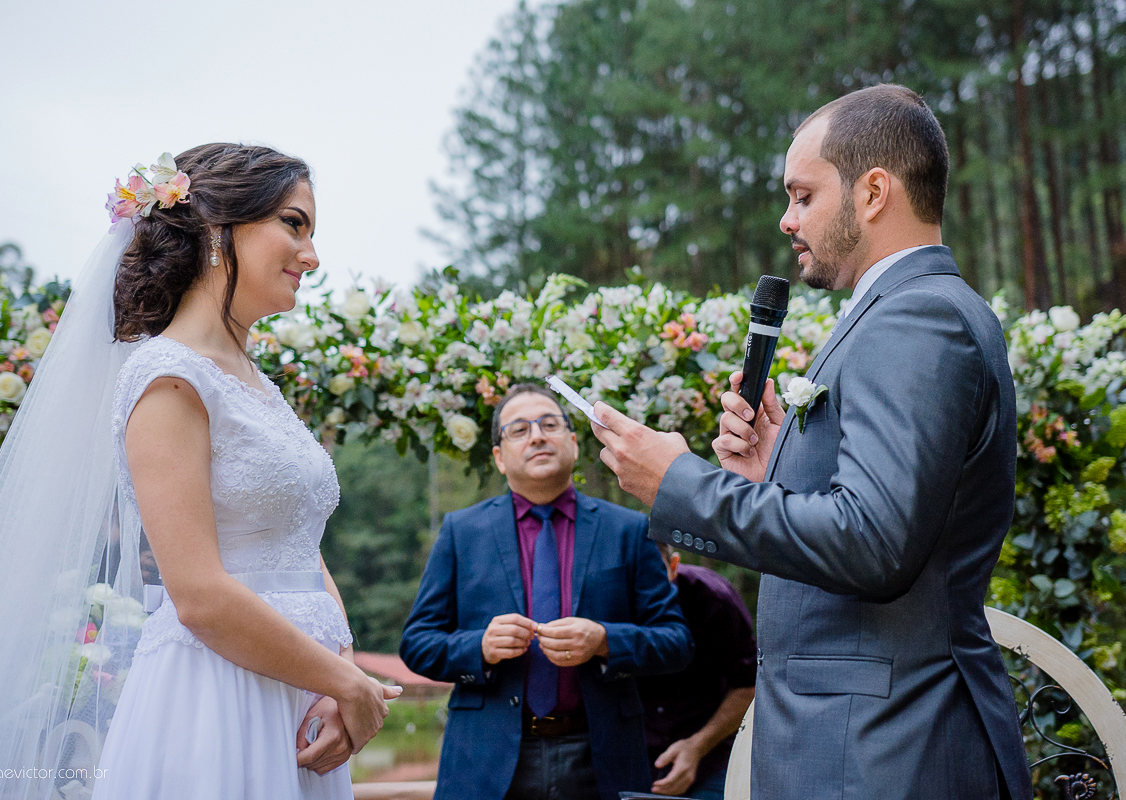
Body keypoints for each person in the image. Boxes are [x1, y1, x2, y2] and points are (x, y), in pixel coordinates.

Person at [590, 85, 1032, 799]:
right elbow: (881, 517)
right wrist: (773, 477)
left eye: (802, 196)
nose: (787, 219)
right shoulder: (898, 312)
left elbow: (874, 544)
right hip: (852, 745)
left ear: (873, 191)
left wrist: (682, 482)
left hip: (887, 751)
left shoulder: (917, 317)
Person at [0, 144, 398, 800]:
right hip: (218, 697)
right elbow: (200, 596)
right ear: (219, 231)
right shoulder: (167, 378)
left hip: (302, 697)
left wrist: (340, 672)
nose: (312, 255)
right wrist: (347, 683)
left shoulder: (255, 384)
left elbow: (299, 546)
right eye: (293, 225)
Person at [400, 383, 693, 800]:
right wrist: (478, 646)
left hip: (601, 754)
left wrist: (606, 641)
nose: (537, 436)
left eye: (549, 424)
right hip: (485, 758)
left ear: (573, 443)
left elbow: (676, 642)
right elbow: (417, 644)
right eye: (518, 430)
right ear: (500, 458)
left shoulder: (628, 529)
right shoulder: (461, 532)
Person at [636, 543, 756, 799]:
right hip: (628, 761)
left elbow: (749, 684)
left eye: (653, 575)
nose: (644, 588)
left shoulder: (714, 596)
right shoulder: (601, 602)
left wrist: (697, 746)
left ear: (674, 565)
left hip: (710, 757)